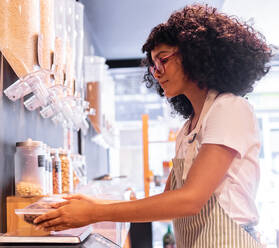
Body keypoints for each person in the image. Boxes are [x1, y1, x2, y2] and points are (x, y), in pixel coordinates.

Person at [34, 4, 272, 247]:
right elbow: (169, 201)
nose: (157, 73)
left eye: (164, 59)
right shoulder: (188, 129)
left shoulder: (229, 108)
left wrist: (95, 213)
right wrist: (93, 204)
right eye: (154, 65)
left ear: (196, 55)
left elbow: (190, 200)